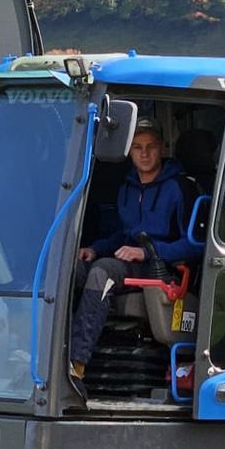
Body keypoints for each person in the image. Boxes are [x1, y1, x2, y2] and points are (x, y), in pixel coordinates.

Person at [69, 120, 196, 397]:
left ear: (162, 148)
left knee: (102, 272)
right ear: (129, 152)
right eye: (137, 147)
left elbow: (194, 245)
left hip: (162, 269)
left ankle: (77, 366)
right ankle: (53, 355)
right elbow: (120, 235)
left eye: (150, 147)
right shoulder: (126, 188)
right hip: (130, 263)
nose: (145, 153)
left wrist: (148, 252)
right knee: (73, 269)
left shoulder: (179, 188)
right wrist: (95, 248)